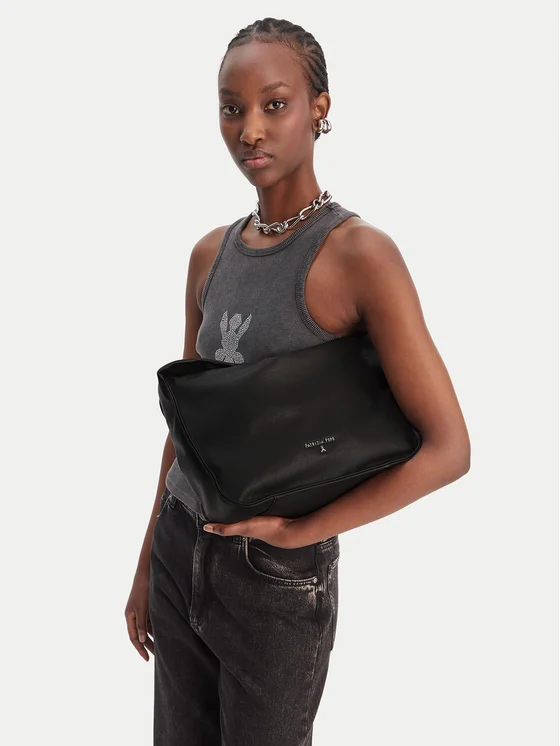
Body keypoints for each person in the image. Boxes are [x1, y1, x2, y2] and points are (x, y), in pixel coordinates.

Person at [125, 16, 471, 746]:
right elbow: (187, 428)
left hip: (274, 577)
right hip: (179, 547)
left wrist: (300, 532)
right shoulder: (209, 255)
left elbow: (449, 449)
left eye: (274, 104)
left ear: (319, 107)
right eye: (231, 108)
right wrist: (147, 563)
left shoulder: (359, 255)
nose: (249, 129)